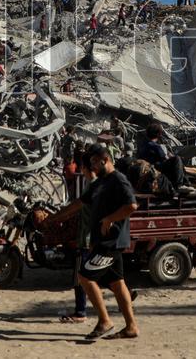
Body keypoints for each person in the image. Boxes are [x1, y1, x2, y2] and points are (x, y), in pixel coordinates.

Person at [77, 144, 139, 340]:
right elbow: (79, 203)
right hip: (105, 241)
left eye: (95, 162)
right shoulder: (101, 182)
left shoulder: (118, 180)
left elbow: (131, 206)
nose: (92, 166)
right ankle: (131, 327)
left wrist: (110, 219)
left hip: (111, 241)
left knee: (85, 277)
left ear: (105, 160)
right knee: (117, 283)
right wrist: (54, 218)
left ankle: (105, 321)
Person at [45, 149, 98, 324]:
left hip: (86, 239)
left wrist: (53, 218)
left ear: (83, 167)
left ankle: (81, 312)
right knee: (107, 277)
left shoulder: (93, 186)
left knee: (80, 277)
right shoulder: (97, 184)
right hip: (92, 237)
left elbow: (76, 206)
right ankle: (125, 297)